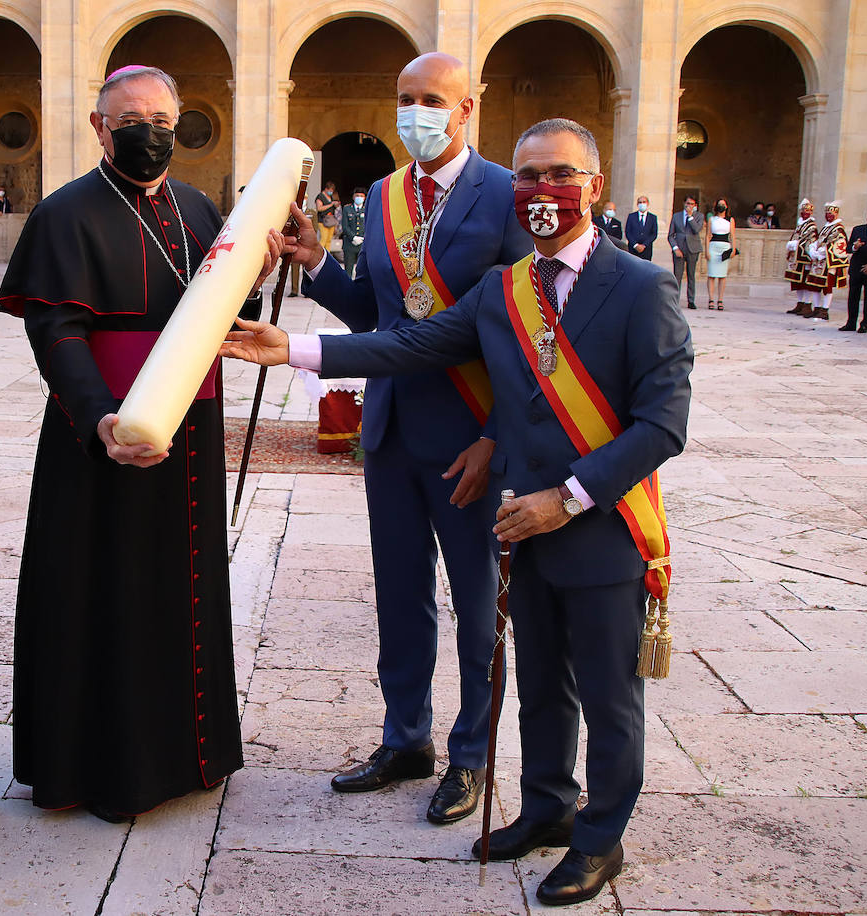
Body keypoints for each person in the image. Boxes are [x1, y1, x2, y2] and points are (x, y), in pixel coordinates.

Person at [224, 117, 692, 907]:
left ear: (595, 186)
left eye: (560, 175)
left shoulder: (643, 288)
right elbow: (412, 345)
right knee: (540, 682)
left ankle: (600, 837)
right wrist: (294, 349)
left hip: (602, 529)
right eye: (530, 177)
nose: (544, 192)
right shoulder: (506, 290)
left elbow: (662, 426)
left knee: (610, 697)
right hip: (527, 527)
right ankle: (547, 809)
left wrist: (566, 497)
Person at [263, 51, 532, 826]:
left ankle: (472, 755)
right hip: (390, 430)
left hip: (469, 436)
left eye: (433, 100)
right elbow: (376, 316)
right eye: (405, 98)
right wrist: (315, 264)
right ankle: (404, 738)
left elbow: (522, 335)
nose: (417, 112)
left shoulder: (505, 198)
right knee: (400, 596)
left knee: (480, 607)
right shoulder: (382, 197)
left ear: (467, 109)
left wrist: (495, 436)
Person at [0, 64, 254, 821]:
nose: (148, 131)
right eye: (129, 117)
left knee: (183, 584)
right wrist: (100, 418)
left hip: (192, 431)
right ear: (99, 127)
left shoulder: (202, 208)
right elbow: (58, 331)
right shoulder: (65, 213)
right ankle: (98, 770)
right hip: (98, 437)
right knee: (103, 591)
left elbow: (217, 306)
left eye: (162, 119)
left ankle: (188, 752)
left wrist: (262, 267)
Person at [805, 201, 849, 322]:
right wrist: (813, 249)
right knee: (814, 285)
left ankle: (825, 310)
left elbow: (839, 244)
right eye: (827, 213)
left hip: (829, 262)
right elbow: (819, 240)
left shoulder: (838, 229)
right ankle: (817, 308)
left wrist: (822, 252)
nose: (829, 216)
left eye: (831, 214)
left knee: (827, 287)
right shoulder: (826, 227)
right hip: (818, 262)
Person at [841, 208, 867, 332]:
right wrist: (855, 246)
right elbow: (848, 248)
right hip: (857, 268)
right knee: (853, 296)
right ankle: (851, 322)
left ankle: (865, 324)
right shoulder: (858, 230)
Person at [784, 199, 819, 317]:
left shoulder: (811, 226)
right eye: (803, 210)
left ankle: (807, 304)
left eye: (807, 211)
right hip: (796, 257)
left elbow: (810, 241)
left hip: (804, 257)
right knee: (797, 281)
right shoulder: (800, 225)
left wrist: (796, 245)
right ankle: (800, 303)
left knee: (805, 281)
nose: (805, 213)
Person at [668, 195, 703, 309]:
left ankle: (691, 300)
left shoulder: (699, 216)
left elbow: (696, 229)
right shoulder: (676, 216)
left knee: (691, 275)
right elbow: (671, 235)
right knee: (677, 275)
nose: (689, 206)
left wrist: (690, 217)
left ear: (695, 206)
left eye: (692, 204)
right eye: (687, 203)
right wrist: (675, 248)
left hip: (692, 248)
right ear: (684, 204)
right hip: (679, 248)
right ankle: (675, 300)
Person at [705, 197, 734, 310]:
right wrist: (707, 250)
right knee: (712, 274)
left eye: (723, 204)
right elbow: (708, 235)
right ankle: (711, 299)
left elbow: (732, 236)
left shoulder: (730, 220)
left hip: (725, 246)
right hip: (713, 246)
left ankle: (720, 299)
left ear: (726, 207)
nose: (721, 206)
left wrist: (733, 249)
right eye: (719, 204)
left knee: (722, 276)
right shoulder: (712, 219)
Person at [340, 186, 367, 278]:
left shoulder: (367, 208)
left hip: (362, 244)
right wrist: (353, 237)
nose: (359, 197)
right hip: (349, 243)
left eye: (361, 196)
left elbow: (368, 224)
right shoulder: (347, 209)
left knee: (361, 270)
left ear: (364, 198)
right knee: (348, 269)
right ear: (353, 197)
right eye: (357, 195)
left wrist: (363, 237)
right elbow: (345, 226)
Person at [625, 196, 657, 261]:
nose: (642, 204)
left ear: (647, 204)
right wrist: (635, 245)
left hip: (646, 249)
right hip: (633, 249)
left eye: (644, 202)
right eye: (640, 202)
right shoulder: (631, 216)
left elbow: (654, 234)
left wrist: (644, 245)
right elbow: (628, 232)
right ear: (637, 204)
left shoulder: (652, 217)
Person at [314, 180, 339, 251]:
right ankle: (319, 254)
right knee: (323, 239)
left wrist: (336, 204)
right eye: (330, 190)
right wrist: (331, 204)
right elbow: (319, 208)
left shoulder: (331, 197)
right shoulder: (320, 197)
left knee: (329, 240)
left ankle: (328, 255)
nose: (331, 192)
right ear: (326, 189)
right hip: (323, 220)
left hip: (331, 220)